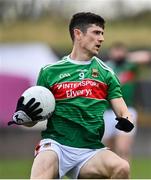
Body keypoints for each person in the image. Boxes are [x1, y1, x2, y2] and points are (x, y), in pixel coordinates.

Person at [8, 12, 134, 179]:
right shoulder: (49, 72)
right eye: (96, 32)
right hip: (56, 146)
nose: (101, 38)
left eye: (102, 33)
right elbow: (35, 119)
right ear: (78, 34)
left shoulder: (107, 74)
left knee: (122, 167)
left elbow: (122, 109)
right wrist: (25, 117)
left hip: (90, 150)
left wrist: (126, 119)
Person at [102, 42, 138, 162]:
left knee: (123, 148)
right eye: (115, 51)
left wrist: (126, 57)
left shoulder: (129, 66)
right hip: (107, 112)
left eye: (121, 51)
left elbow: (146, 56)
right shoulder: (106, 67)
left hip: (126, 110)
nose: (118, 54)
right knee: (108, 151)